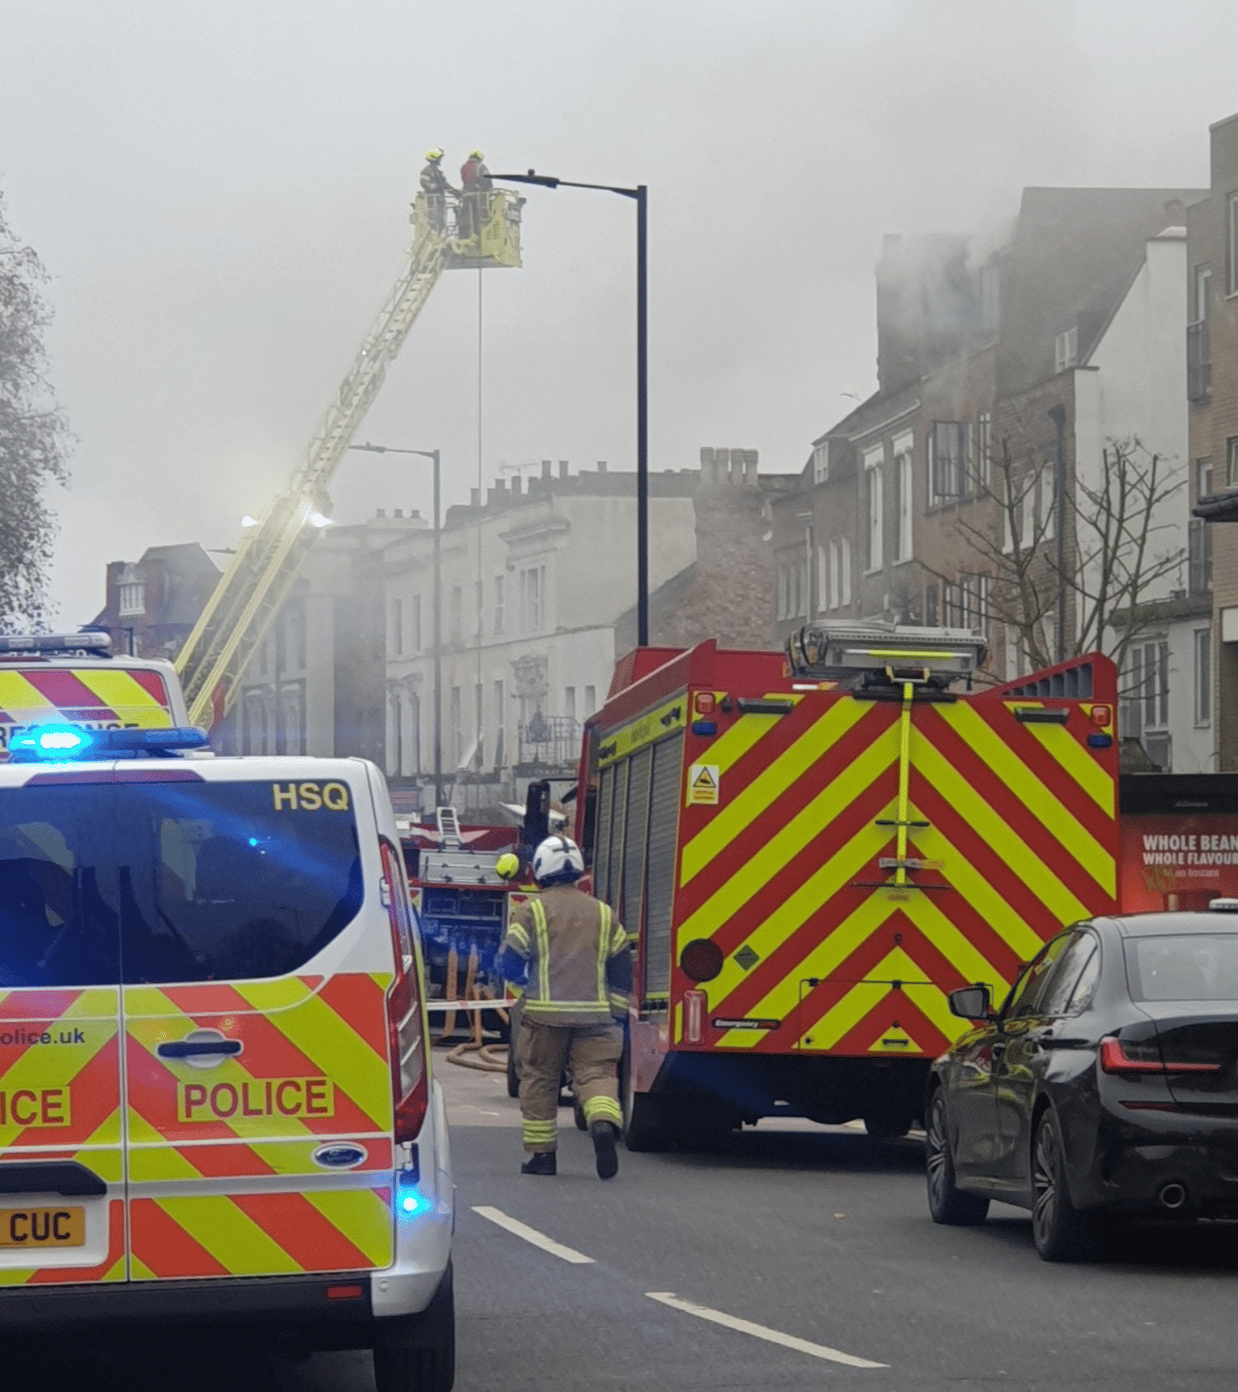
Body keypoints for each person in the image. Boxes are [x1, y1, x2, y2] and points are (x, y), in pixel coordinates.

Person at [496, 834, 630, 1179]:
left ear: (541, 869)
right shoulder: (604, 912)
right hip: (596, 1018)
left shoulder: (533, 911)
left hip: (543, 1018)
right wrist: (615, 1014)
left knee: (539, 1080)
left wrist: (526, 987)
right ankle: (601, 1123)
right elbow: (621, 969)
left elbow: (509, 961)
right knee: (597, 1076)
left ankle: (543, 1158)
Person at [458, 149, 492, 238]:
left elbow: (464, 179)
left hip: (466, 196)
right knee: (478, 217)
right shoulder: (481, 167)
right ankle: (478, 235)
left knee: (465, 217)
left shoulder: (463, 167)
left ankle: (464, 235)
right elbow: (487, 182)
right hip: (477, 196)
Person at [419, 148, 454, 232]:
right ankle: (435, 237)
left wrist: (456, 192)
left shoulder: (437, 172)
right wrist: (433, 187)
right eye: (439, 158)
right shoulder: (427, 171)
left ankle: (440, 236)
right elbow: (423, 182)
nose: (440, 160)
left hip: (439, 201)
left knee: (441, 223)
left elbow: (445, 185)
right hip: (432, 203)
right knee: (434, 224)